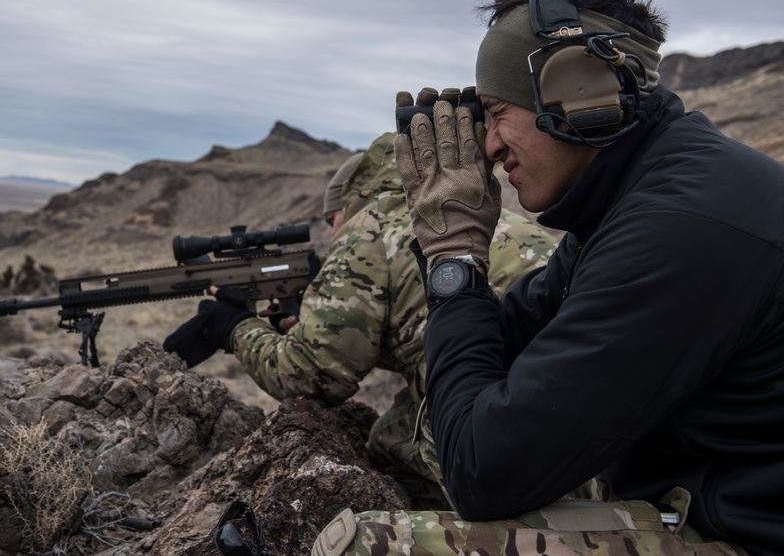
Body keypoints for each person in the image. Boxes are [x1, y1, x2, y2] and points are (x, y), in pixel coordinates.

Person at [313, 0, 782, 555]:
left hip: (748, 538)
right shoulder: (643, 199)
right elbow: (511, 340)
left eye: (499, 111)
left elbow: (482, 473)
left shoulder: (682, 230)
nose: (488, 145)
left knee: (367, 547)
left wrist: (453, 254)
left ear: (582, 94)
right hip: (711, 509)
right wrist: (457, 265)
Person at [164, 131, 558, 507]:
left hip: (502, 418)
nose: (333, 230)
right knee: (400, 423)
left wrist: (233, 327)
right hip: (567, 390)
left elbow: (308, 374)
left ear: (349, 202)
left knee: (387, 449)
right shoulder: (466, 212)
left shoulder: (368, 226)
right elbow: (415, 321)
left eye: (331, 218)